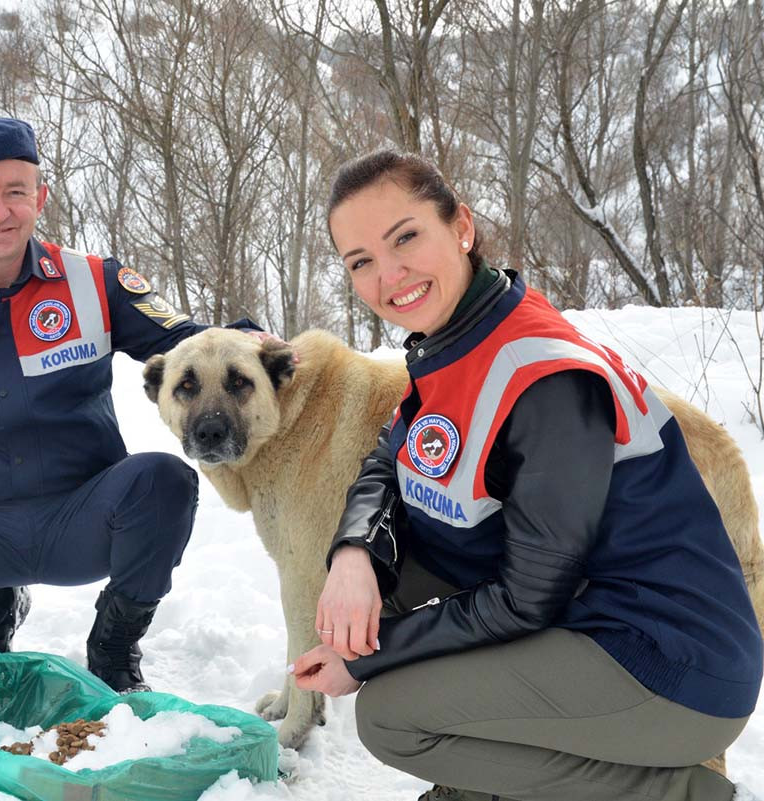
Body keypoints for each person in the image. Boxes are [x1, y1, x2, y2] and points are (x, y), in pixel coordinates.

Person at [292, 149, 763, 801]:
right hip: (587, 609)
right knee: (373, 596)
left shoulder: (546, 381)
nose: (388, 274)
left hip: (667, 663)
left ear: (460, 226)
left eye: (405, 237)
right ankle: (484, 780)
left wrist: (366, 657)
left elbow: (527, 596)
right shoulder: (460, 334)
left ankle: (687, 793)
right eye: (361, 260)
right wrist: (354, 555)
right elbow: (394, 456)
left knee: (391, 718)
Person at [0, 117, 261, 693]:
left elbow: (184, 345)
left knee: (163, 480)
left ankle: (113, 646)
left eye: (16, 191)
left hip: (81, 517)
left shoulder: (95, 281)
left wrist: (250, 343)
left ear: (41, 197)